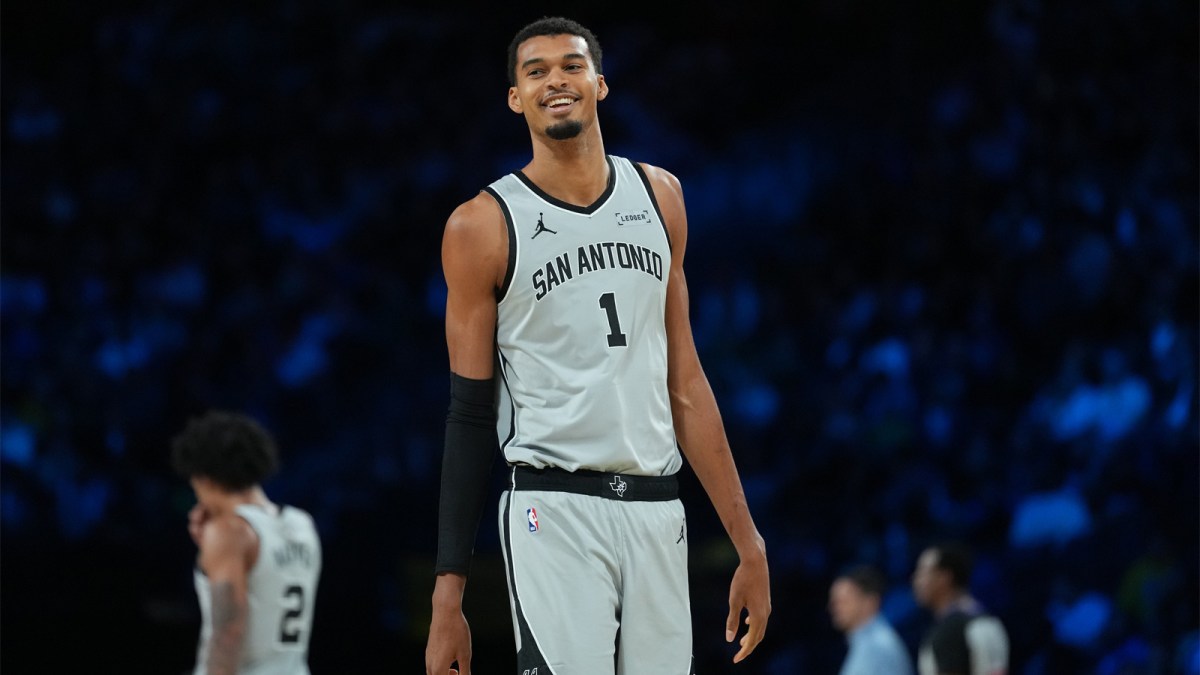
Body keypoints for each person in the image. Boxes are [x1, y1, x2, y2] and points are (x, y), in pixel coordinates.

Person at [424, 15, 771, 675]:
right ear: (515, 98)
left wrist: (747, 541)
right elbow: (469, 414)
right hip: (552, 509)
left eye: (571, 65)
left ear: (600, 83)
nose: (556, 79)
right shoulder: (481, 225)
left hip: (656, 507)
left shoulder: (660, 196)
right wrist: (450, 592)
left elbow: (686, 381)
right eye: (536, 71)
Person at [171, 410, 322, 675]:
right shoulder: (303, 524)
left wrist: (217, 541)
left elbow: (227, 634)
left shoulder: (228, 532)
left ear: (203, 478)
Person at [911, 542, 1009, 675]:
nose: (916, 580)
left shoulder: (949, 631)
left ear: (944, 577)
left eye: (923, 572)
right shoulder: (991, 621)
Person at [828, 564, 914, 675]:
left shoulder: (878, 647)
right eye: (834, 602)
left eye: (843, 601)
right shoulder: (865, 643)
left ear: (870, 602)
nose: (834, 608)